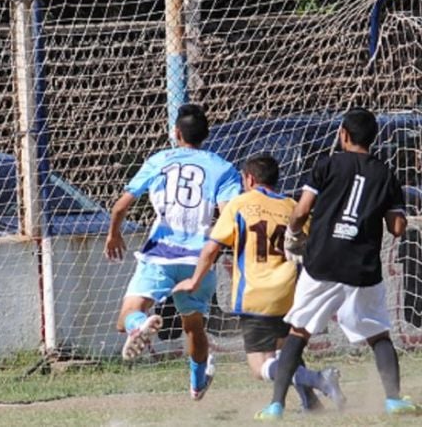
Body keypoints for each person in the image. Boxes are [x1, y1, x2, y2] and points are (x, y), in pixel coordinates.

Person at [256, 108, 421, 420]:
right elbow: (397, 228)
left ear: (343, 134)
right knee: (378, 335)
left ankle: (276, 405)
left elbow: (302, 210)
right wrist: (391, 211)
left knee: (298, 332)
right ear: (373, 140)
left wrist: (292, 234)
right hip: (362, 268)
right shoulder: (385, 175)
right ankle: (394, 400)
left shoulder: (326, 165)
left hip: (323, 262)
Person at [172, 154, 344, 412]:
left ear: (249, 179)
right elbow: (314, 245)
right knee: (290, 349)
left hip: (256, 295)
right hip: (290, 293)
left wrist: (194, 280)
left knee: (259, 366)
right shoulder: (291, 206)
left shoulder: (240, 204)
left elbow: (211, 248)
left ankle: (318, 379)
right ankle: (311, 402)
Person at [104, 103, 241, 401]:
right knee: (193, 325)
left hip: (160, 253)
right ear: (206, 134)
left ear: (176, 132)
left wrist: (114, 234)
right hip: (198, 259)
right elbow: (229, 216)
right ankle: (196, 385)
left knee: (126, 316)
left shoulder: (159, 160)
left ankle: (139, 325)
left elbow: (120, 206)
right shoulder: (223, 167)